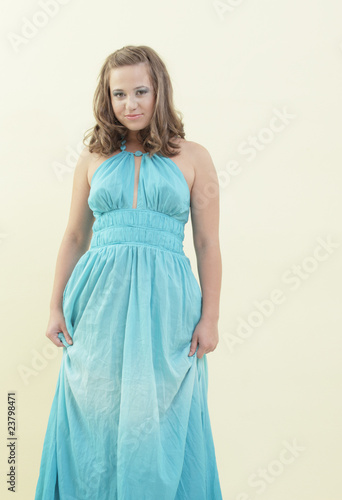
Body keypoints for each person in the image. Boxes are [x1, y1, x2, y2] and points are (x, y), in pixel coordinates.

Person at [34, 45, 223, 499]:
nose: (130, 104)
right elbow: (74, 237)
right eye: (118, 94)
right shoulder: (92, 159)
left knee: (159, 416)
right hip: (98, 304)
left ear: (160, 91)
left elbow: (206, 243)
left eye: (141, 91)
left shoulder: (194, 157)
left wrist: (211, 317)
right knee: (96, 411)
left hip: (167, 306)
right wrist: (55, 306)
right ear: (107, 98)